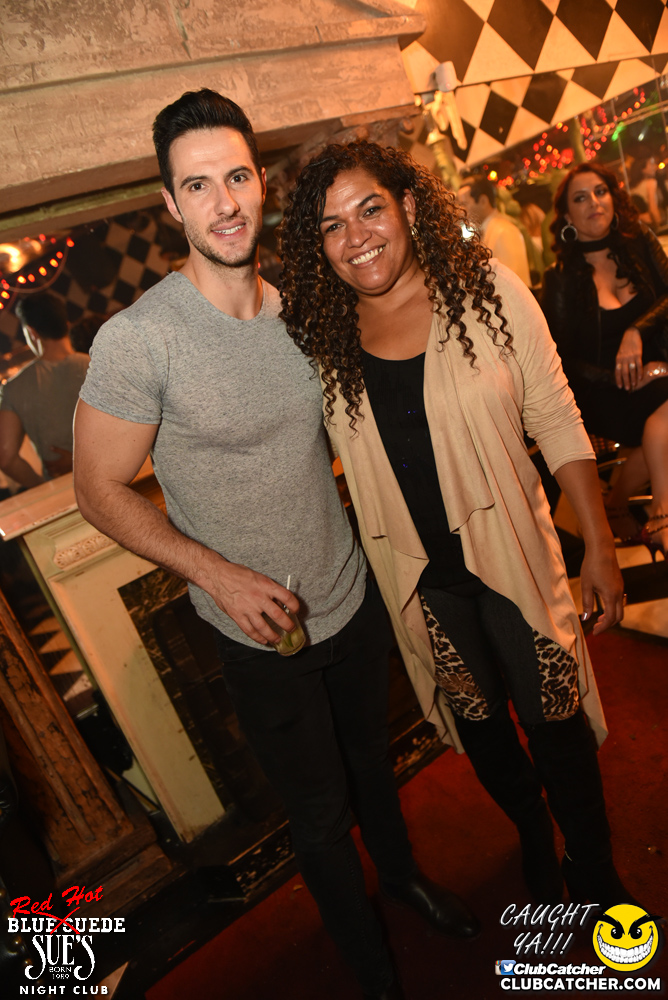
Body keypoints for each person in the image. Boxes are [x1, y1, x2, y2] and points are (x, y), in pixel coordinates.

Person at [72, 90, 478, 1000]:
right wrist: (217, 575)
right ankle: (372, 969)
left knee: (375, 763)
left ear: (262, 184)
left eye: (237, 177)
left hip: (350, 596)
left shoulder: (301, 309)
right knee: (321, 814)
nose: (224, 204)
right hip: (260, 636)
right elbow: (95, 490)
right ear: (170, 205)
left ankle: (403, 879)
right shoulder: (140, 340)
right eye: (198, 186)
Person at [278, 139, 636, 911]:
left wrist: (601, 547)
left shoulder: (486, 291)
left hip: (513, 556)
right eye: (332, 226)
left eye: (369, 209)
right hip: (423, 585)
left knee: (556, 723)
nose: (356, 236)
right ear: (318, 246)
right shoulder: (324, 339)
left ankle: (592, 862)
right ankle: (531, 829)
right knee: (483, 731)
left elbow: (555, 416)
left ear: (408, 206)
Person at [541, 163, 668, 557]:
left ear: (613, 198)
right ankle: (662, 514)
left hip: (658, 374)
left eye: (600, 191)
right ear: (567, 216)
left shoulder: (639, 242)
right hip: (602, 391)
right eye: (581, 198)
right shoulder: (560, 277)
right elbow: (563, 359)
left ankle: (617, 505)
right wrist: (623, 378)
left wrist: (636, 332)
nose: (594, 202)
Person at [0, 293, 89, 487]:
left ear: (32, 332)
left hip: (64, 494)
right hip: (121, 483)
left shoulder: (14, 388)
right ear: (66, 324)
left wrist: (44, 488)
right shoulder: (97, 366)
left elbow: (6, 458)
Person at [457, 174, 531, 285]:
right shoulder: (485, 230)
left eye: (464, 204)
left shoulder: (504, 231)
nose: (460, 211)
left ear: (483, 201)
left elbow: (515, 283)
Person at [629, 155, 663, 229]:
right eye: (651, 164)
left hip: (639, 227)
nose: (654, 166)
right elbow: (653, 208)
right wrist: (659, 225)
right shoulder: (651, 183)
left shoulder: (631, 187)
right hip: (651, 225)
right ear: (642, 169)